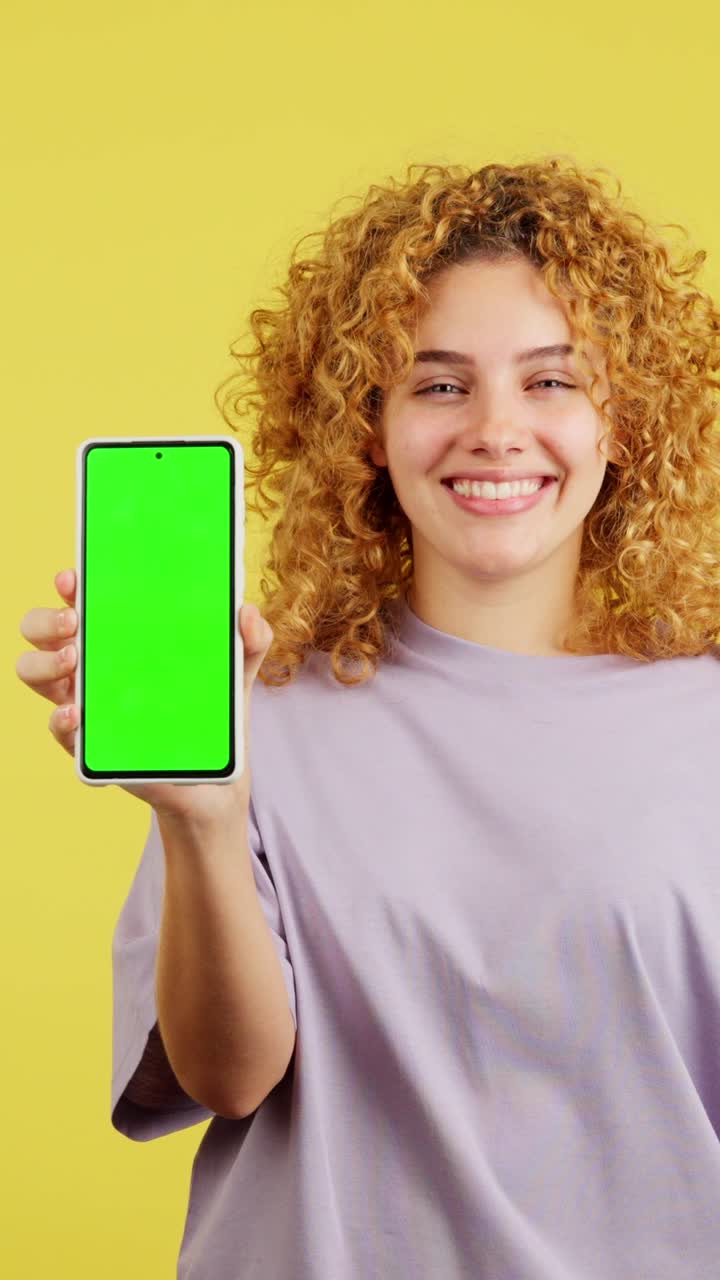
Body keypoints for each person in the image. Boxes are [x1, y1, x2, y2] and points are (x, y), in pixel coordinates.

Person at [17, 156, 720, 1278]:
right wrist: (203, 813)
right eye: (439, 384)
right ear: (369, 427)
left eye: (552, 381)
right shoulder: (259, 715)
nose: (496, 429)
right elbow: (227, 1077)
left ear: (621, 420)